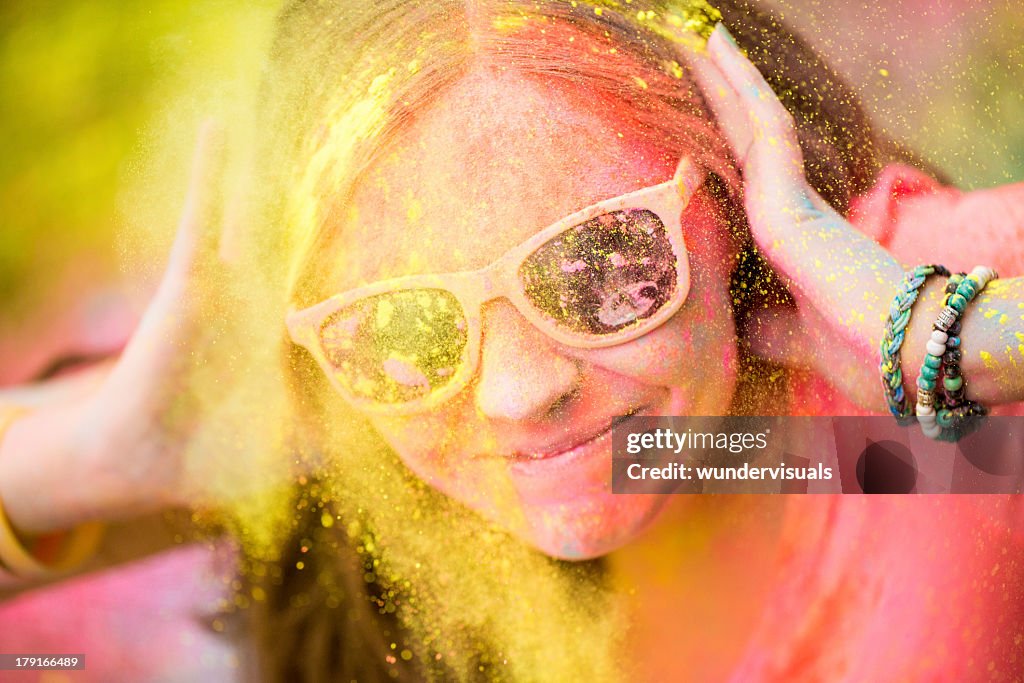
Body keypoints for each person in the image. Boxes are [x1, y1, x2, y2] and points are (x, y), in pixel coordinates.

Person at [2, 1, 1023, 680]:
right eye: (403, 322)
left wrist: (954, 342)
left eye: (602, 264)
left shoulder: (891, 308)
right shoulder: (345, 437)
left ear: (734, 204)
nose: (514, 394)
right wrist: (105, 456)